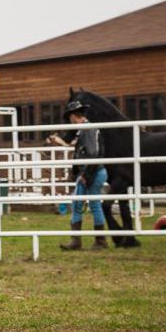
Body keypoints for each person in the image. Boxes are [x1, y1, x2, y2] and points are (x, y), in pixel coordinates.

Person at [60, 99, 108, 250]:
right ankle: (95, 241)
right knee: (86, 205)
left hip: (90, 172)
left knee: (88, 205)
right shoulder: (88, 129)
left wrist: (85, 175)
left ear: (74, 116)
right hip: (94, 171)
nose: (70, 121)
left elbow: (92, 153)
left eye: (70, 117)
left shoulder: (87, 129)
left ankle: (90, 241)